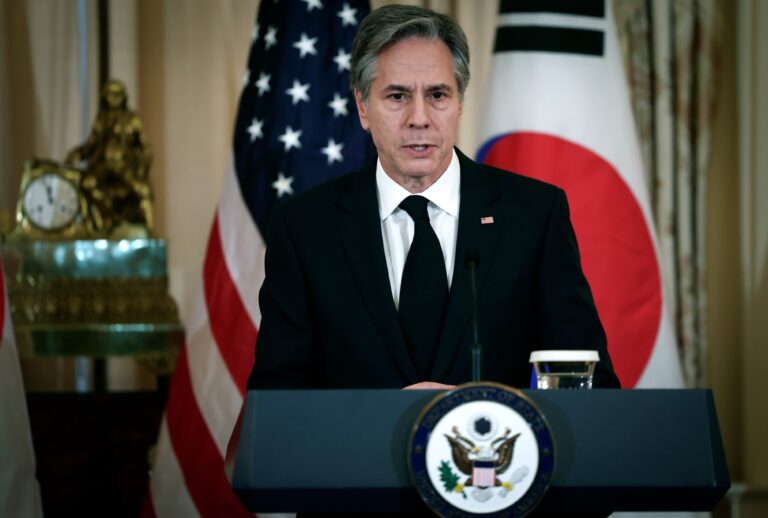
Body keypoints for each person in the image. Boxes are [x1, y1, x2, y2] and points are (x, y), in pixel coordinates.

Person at [247, 5, 620, 390]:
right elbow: (278, 396)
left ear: (459, 103)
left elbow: (588, 384)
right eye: (397, 96)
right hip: (355, 452)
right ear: (362, 106)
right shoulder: (304, 227)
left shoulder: (534, 215)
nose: (419, 118)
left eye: (438, 94)